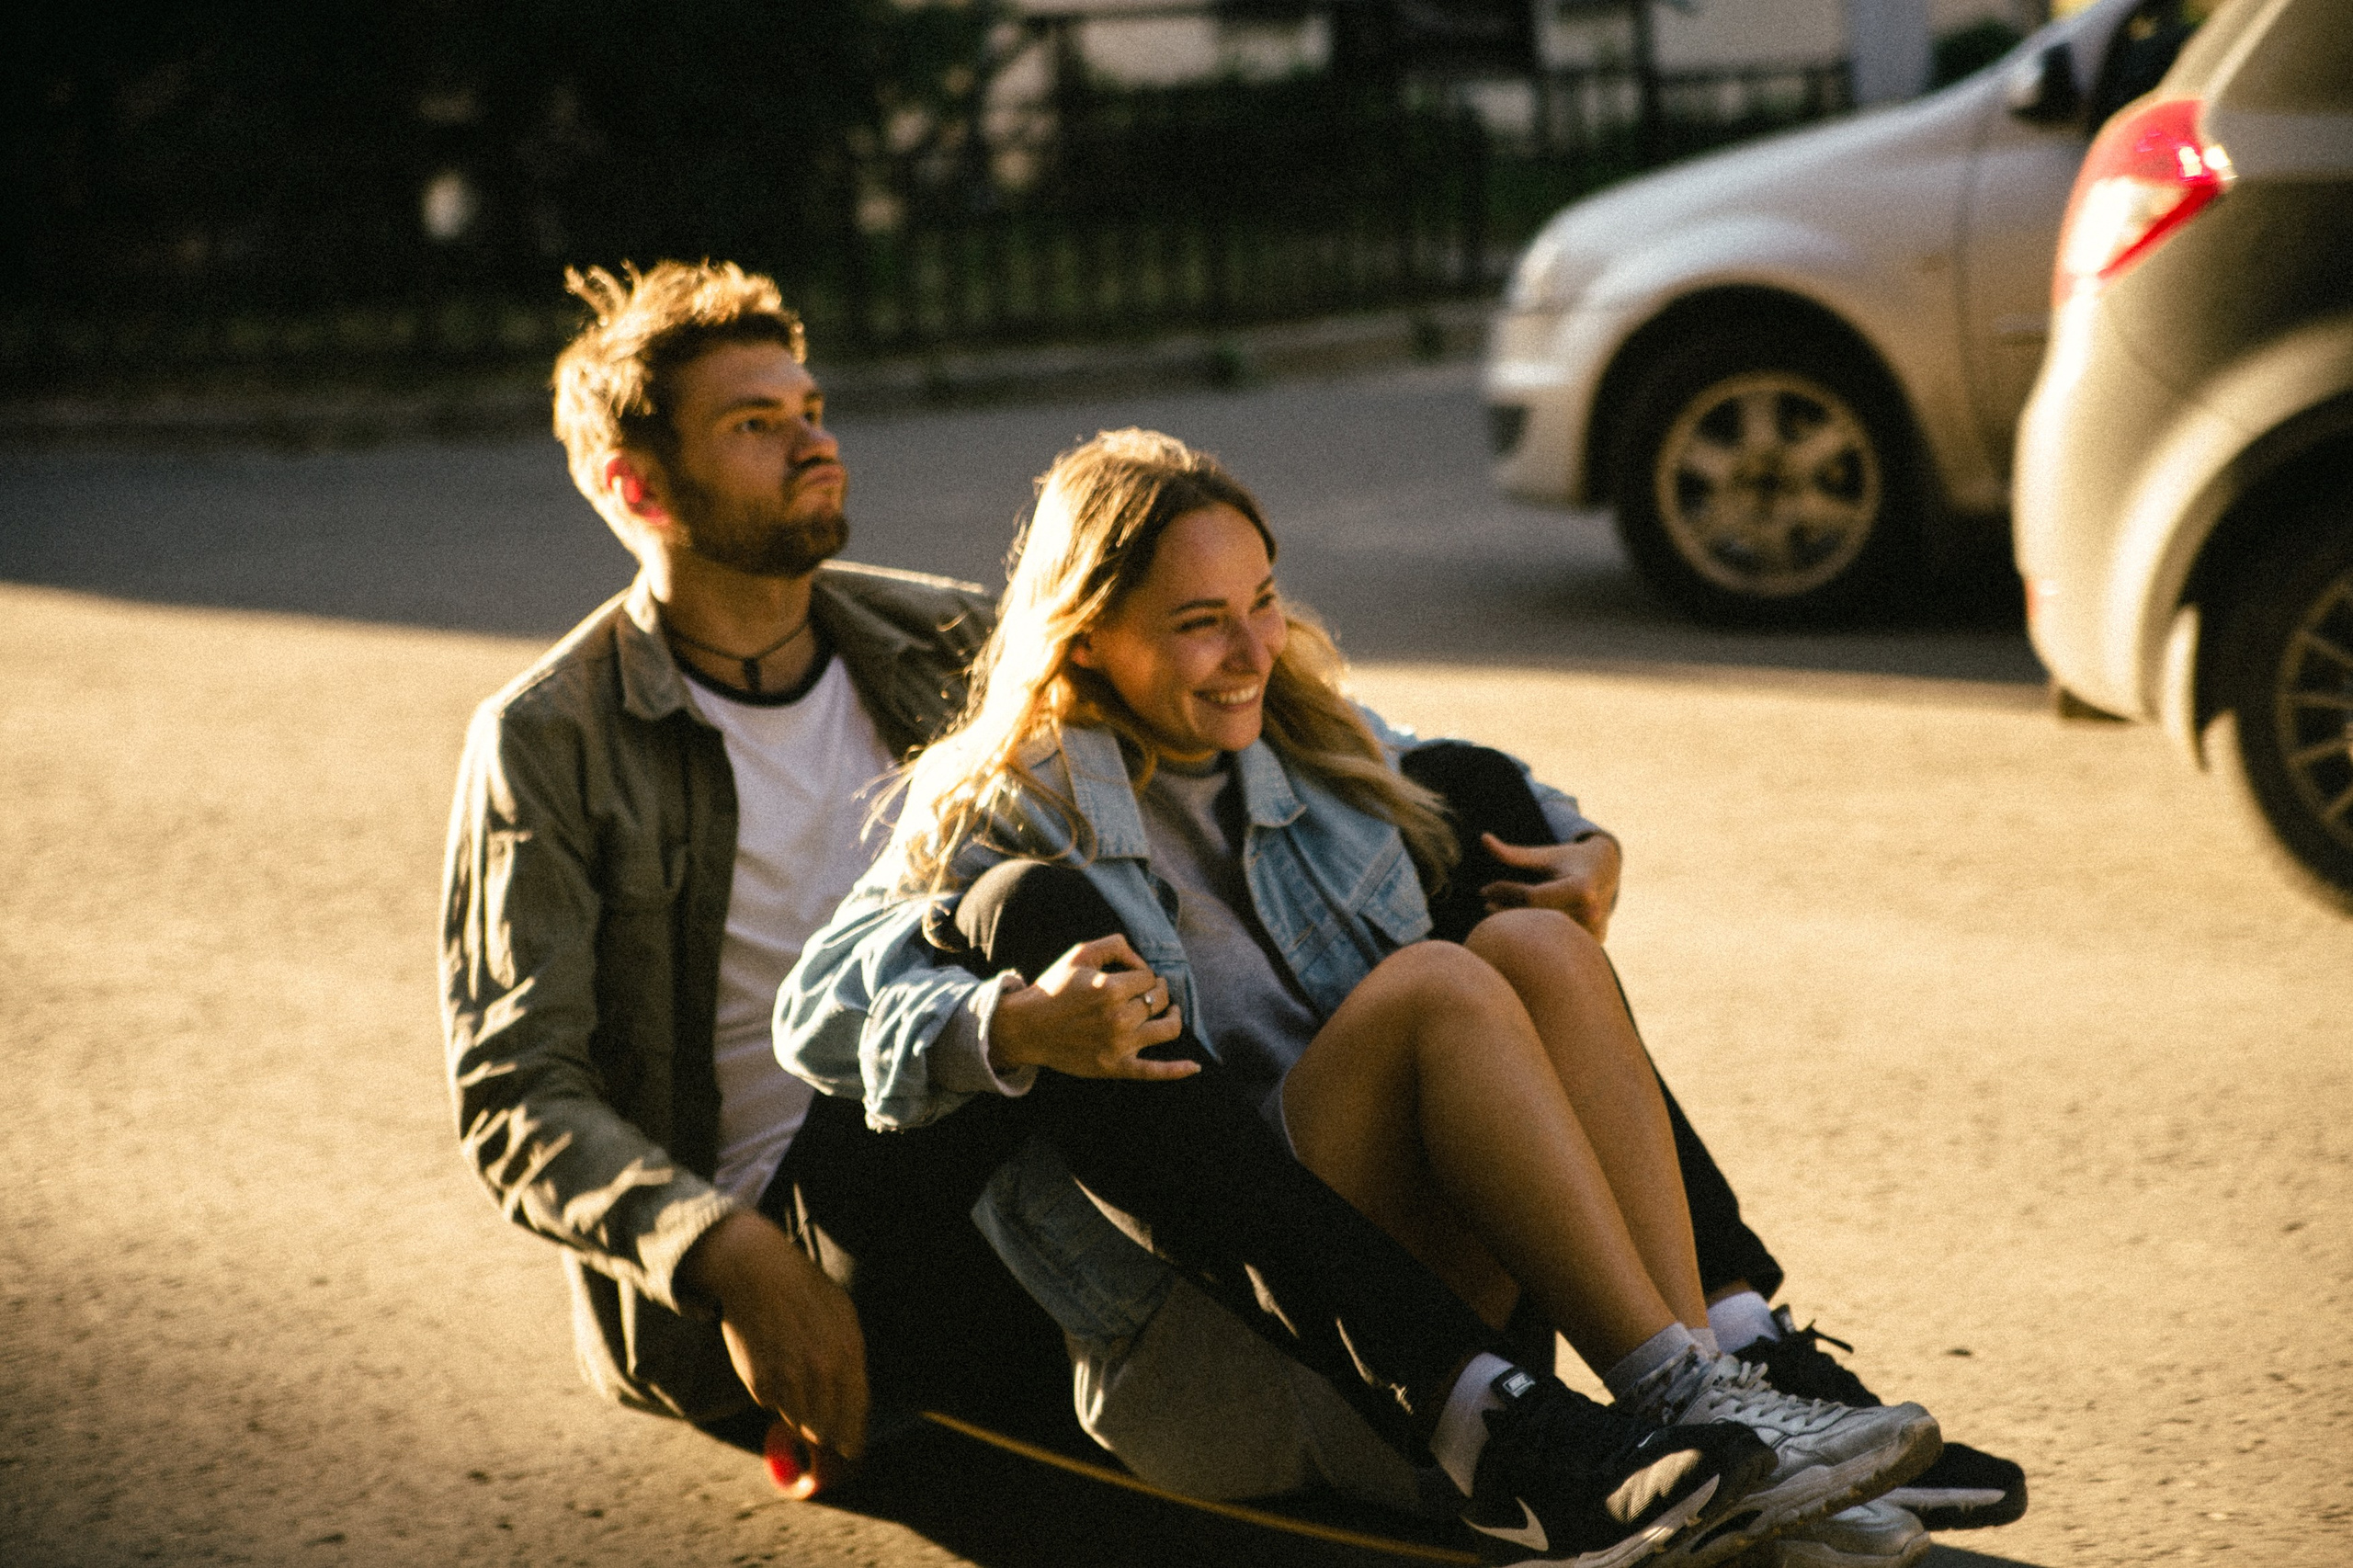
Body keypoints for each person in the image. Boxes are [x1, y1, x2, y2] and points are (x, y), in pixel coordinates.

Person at [438, 261, 2009, 1568]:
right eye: (755, 426)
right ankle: (1504, 1399)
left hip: (1071, 1150)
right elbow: (521, 1091)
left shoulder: (928, 636)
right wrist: (723, 1255)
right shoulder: (555, 735)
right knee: (1030, 907)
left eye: (811, 410)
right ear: (636, 484)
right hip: (818, 1193)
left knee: (1498, 876)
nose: (811, 444)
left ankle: (1728, 1355)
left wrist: (1574, 837)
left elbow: (1371, 735)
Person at [776, 431, 1969, 1565]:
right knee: (1440, 983)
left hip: (1418, 1281)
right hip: (1239, 1334)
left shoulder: (1293, 733)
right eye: (1200, 623)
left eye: (1263, 599)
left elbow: (1465, 770)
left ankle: (1721, 1394)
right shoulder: (1003, 805)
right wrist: (1012, 1022)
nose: (1253, 649)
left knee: (1540, 947)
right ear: (1084, 640)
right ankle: (1683, 1400)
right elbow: (815, 1008)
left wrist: (1591, 847)